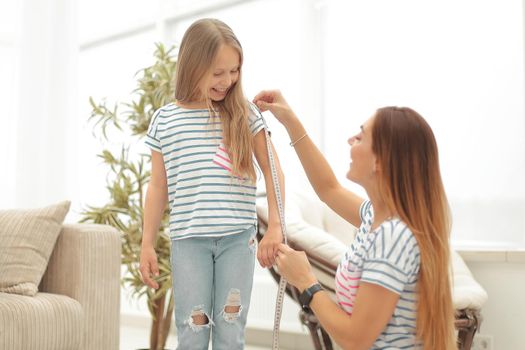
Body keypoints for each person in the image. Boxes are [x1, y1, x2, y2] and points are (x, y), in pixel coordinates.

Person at [253, 90, 456, 350]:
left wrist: (305, 280)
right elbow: (328, 188)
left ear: (380, 161)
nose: (351, 140)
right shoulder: (377, 217)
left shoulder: (393, 236)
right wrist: (289, 120)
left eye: (360, 136)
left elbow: (355, 339)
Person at [139, 19, 284, 350]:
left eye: (233, 71)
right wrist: (147, 243)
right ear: (193, 66)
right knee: (192, 332)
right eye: (218, 73)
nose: (228, 81)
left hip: (238, 241)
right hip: (189, 243)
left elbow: (274, 170)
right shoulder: (165, 120)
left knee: (230, 333)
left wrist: (276, 226)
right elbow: (157, 187)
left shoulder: (244, 114)